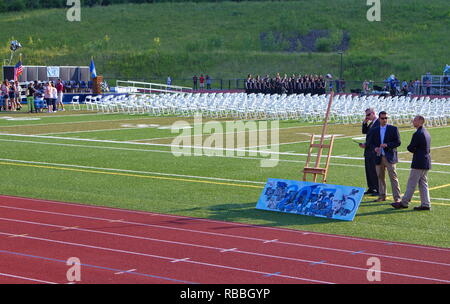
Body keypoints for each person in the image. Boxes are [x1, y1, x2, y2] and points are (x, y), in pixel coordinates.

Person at [392, 116, 431, 210]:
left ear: (420, 122)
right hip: (426, 161)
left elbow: (410, 147)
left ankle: (404, 203)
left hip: (418, 162)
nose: (413, 121)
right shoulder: (426, 132)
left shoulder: (418, 133)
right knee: (423, 183)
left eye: (415, 120)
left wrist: (414, 150)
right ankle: (426, 204)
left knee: (412, 183)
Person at [368, 111, 402, 203]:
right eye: (382, 118)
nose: (384, 120)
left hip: (389, 157)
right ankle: (382, 196)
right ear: (379, 119)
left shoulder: (393, 129)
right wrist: (375, 148)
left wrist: (387, 145)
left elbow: (398, 142)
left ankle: (397, 197)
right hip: (379, 157)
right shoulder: (374, 130)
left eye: (386, 118)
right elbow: (370, 144)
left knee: (393, 177)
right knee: (380, 177)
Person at [359, 108, 379, 196]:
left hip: (374, 150)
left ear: (373, 113)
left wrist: (366, 144)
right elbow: (364, 131)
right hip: (368, 150)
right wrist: (364, 122)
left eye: (368, 115)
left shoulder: (378, 122)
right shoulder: (372, 123)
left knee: (375, 171)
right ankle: (371, 187)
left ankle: (378, 189)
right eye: (366, 115)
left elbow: (376, 138)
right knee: (368, 170)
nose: (367, 117)